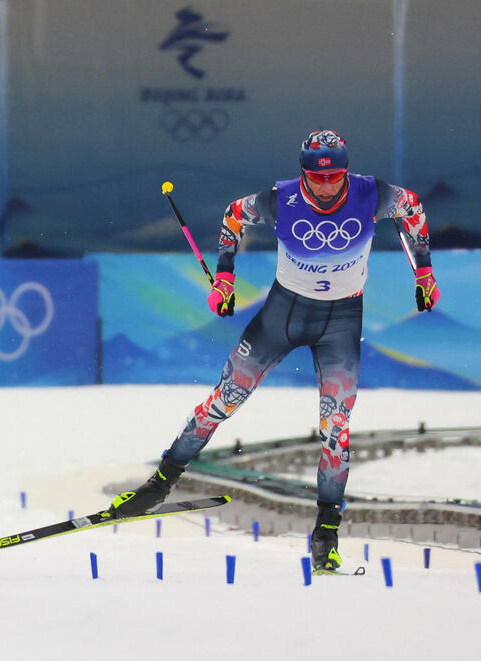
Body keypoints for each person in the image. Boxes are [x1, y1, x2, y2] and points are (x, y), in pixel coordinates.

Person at [109, 130, 441, 573]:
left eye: (335, 177)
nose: (326, 187)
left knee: (336, 430)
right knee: (223, 402)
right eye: (316, 179)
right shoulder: (279, 199)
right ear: (303, 173)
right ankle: (158, 486)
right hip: (283, 315)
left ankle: (326, 534)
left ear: (346, 171)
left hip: (341, 323)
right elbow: (233, 217)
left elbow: (413, 210)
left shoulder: (372, 192)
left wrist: (424, 272)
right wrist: (225, 277)